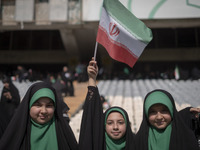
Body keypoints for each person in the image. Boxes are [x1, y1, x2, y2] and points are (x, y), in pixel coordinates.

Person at [0, 81, 78, 150]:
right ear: (29, 106)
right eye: (38, 105)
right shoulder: (17, 134)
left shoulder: (62, 132)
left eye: (49, 106)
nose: (44, 111)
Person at [78, 58, 135, 150]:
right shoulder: (97, 146)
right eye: (109, 123)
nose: (115, 127)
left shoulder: (138, 145)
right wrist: (92, 79)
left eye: (120, 122)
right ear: (104, 125)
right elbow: (90, 115)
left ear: (127, 124)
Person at [135, 89, 199, 150]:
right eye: (152, 112)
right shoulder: (138, 142)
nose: (159, 117)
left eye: (164, 111)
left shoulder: (186, 138)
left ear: (171, 111)